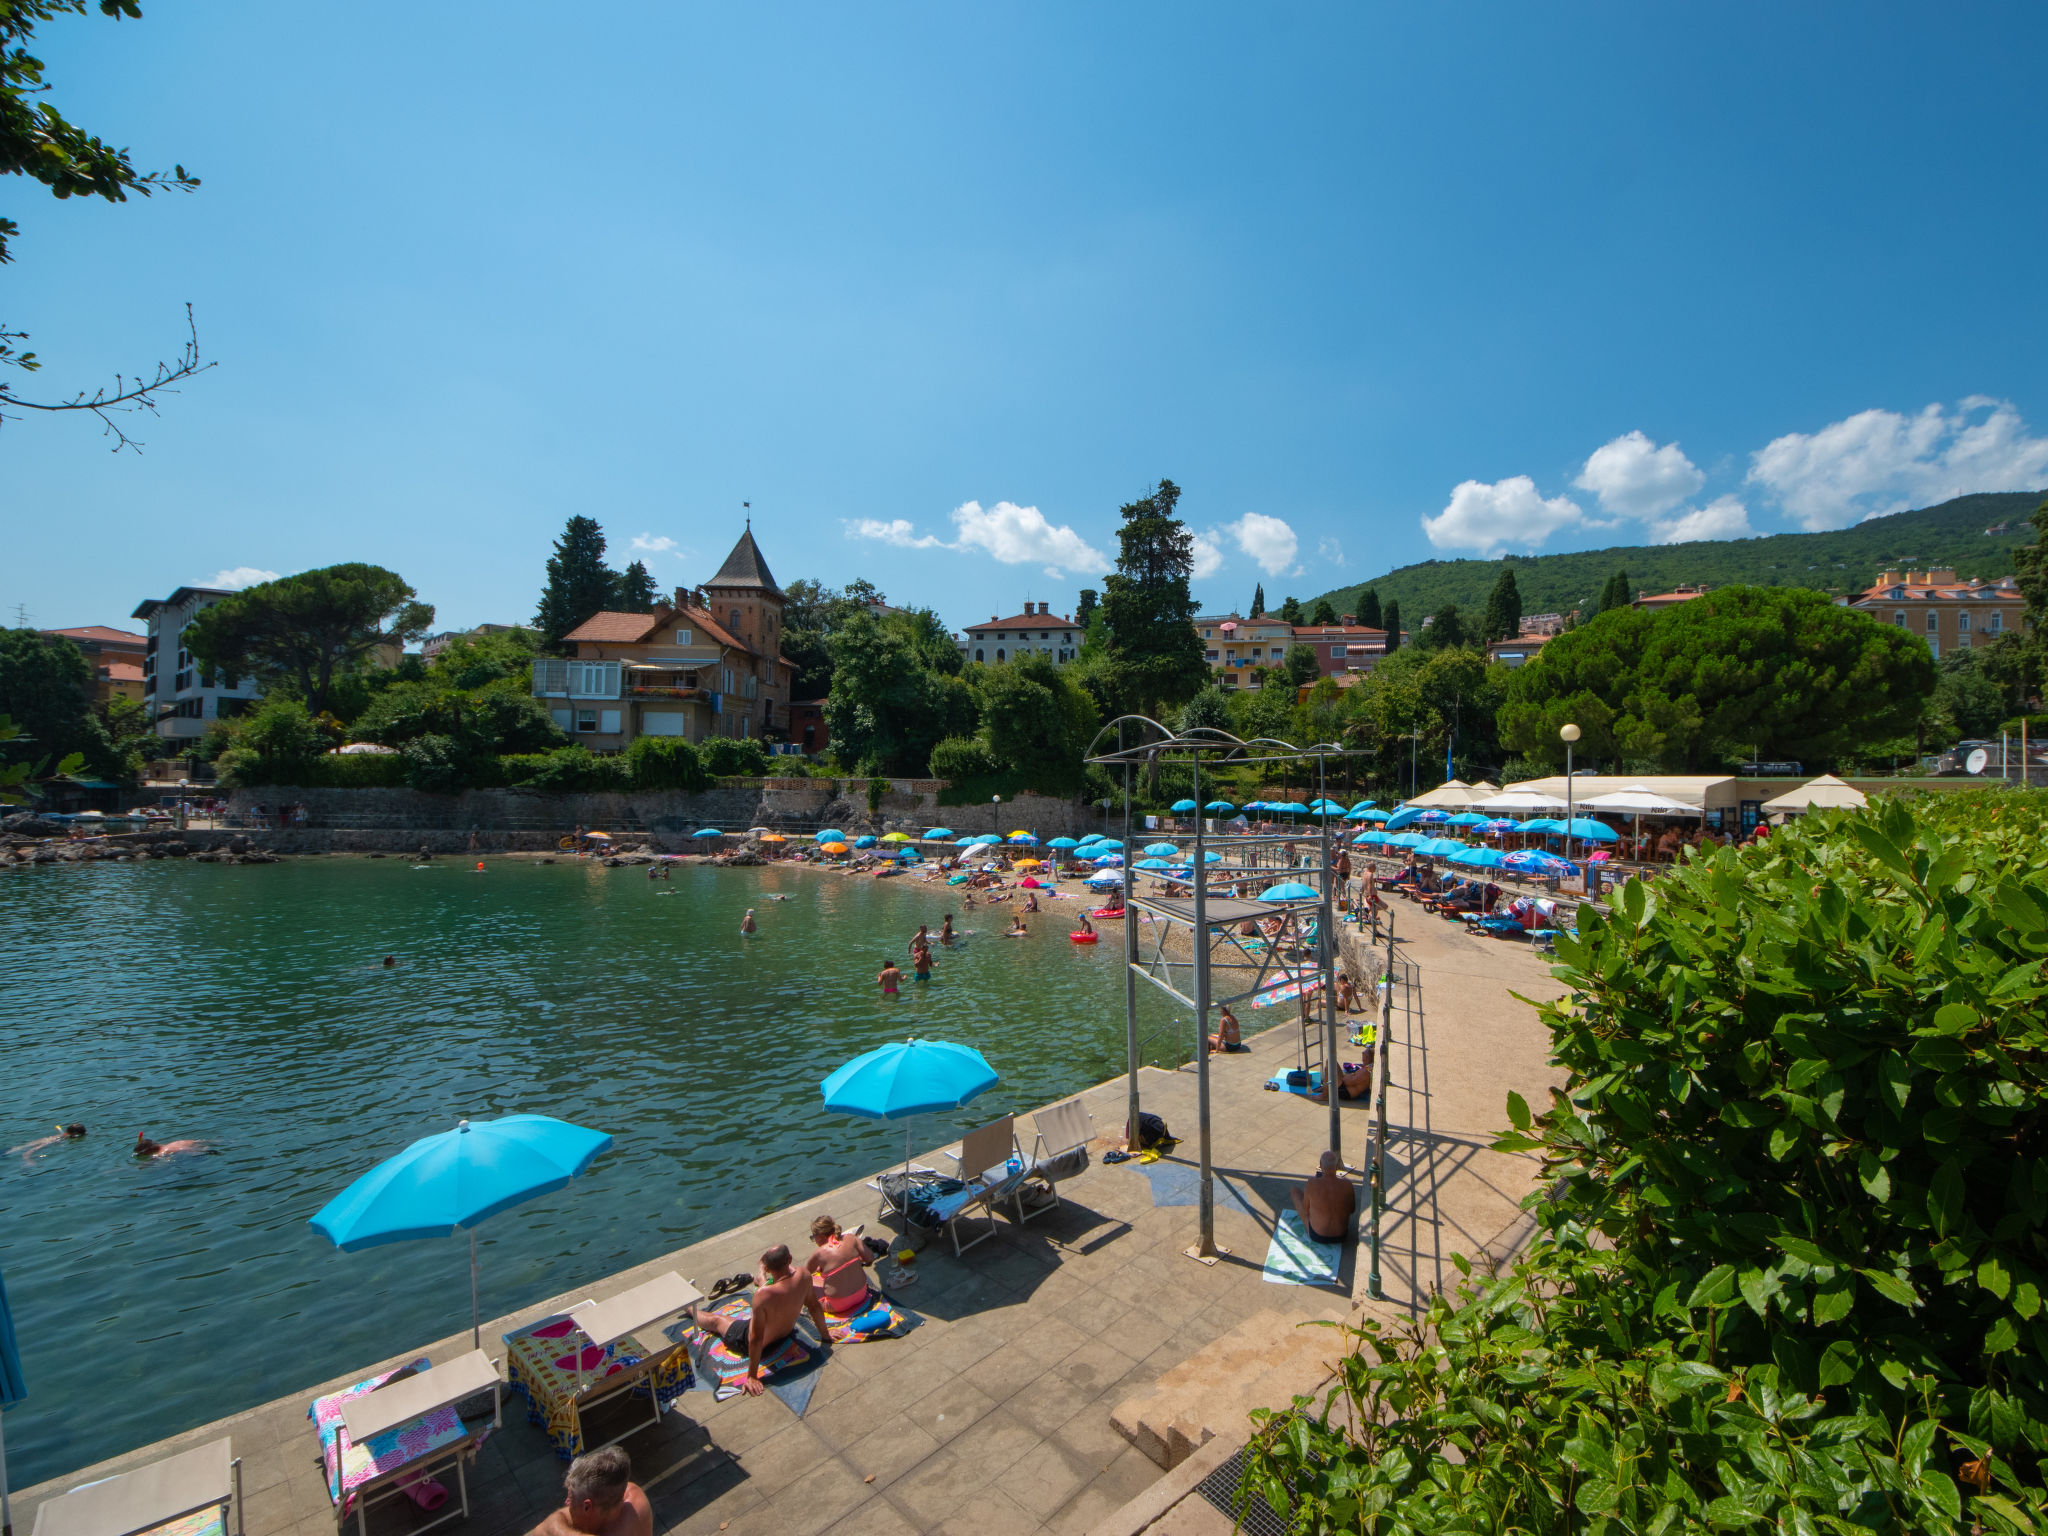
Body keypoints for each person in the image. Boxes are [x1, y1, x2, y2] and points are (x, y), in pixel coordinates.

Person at [685, 1244, 829, 1395]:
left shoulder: (762, 1296)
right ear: (790, 1259)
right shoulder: (805, 1275)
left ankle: (688, 1308)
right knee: (769, 1289)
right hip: (785, 1333)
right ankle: (760, 1276)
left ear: (768, 1268)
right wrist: (826, 1335)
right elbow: (814, 1306)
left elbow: (755, 1337)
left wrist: (752, 1376)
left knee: (717, 1320)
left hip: (751, 1342)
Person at [527, 1445, 652, 1536]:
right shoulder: (630, 1494)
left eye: (571, 1499)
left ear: (587, 1506)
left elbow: (541, 1531)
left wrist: (557, 1529)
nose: (566, 1502)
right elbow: (545, 1527)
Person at [805, 1215, 882, 1317]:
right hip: (861, 1295)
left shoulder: (819, 1254)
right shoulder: (852, 1238)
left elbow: (804, 1275)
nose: (814, 1240)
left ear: (821, 1236)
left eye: (814, 1237)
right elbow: (870, 1258)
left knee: (809, 1285)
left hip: (836, 1305)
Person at [1291, 1150, 1356, 1244]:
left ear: (1320, 1165)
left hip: (1317, 1236)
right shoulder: (1348, 1184)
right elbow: (1352, 1210)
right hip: (1342, 1236)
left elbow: (1305, 1211)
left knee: (1295, 1191)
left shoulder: (1312, 1184)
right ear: (1337, 1166)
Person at [11, 1123, 85, 1162]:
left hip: (13, 1150)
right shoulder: (55, 1139)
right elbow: (29, 1151)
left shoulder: (61, 1136)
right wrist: (28, 1160)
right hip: (8, 1154)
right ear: (75, 1133)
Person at [134, 1131, 207, 1158]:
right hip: (201, 1144)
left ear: (150, 1150)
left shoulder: (162, 1153)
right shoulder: (175, 1142)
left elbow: (146, 1165)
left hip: (199, 1153)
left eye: (143, 1153)